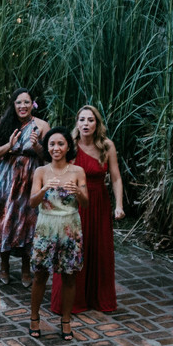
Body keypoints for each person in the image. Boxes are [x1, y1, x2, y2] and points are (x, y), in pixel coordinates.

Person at [51, 105, 124, 315]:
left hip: (99, 203)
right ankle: (70, 301)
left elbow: (116, 177)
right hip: (75, 204)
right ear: (77, 123)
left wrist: (119, 205)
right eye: (82, 120)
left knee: (98, 249)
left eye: (90, 120)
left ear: (97, 124)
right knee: (73, 250)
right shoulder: (70, 145)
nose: (86, 124)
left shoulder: (107, 146)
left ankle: (97, 298)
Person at [0, 89, 47, 287]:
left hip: (30, 179)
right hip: (7, 179)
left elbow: (48, 158)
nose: (22, 106)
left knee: (28, 221)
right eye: (19, 102)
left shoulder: (42, 125)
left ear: (32, 104)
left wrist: (37, 147)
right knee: (4, 219)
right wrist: (8, 146)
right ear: (14, 104)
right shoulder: (6, 123)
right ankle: (4, 266)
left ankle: (26, 268)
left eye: (26, 102)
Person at [30, 128, 87, 341]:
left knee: (69, 275)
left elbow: (86, 203)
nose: (56, 148)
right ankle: (34, 317)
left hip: (70, 226)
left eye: (61, 144)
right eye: (52, 144)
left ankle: (66, 320)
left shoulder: (78, 171)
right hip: (46, 225)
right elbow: (32, 202)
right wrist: (44, 189)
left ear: (68, 147)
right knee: (40, 274)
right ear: (47, 147)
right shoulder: (41, 171)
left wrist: (79, 192)